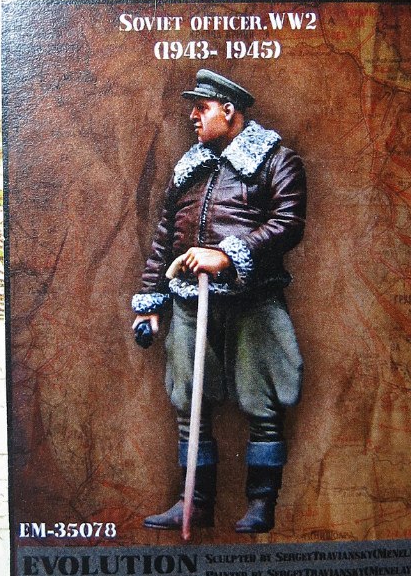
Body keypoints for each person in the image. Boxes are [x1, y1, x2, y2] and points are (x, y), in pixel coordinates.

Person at [131, 69, 307, 533]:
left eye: (202, 107)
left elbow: (288, 223)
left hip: (253, 301)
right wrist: (151, 301)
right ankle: (194, 503)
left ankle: (261, 504)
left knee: (263, 403)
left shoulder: (277, 160)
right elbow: (165, 237)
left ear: (229, 111)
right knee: (189, 404)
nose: (193, 116)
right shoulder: (190, 168)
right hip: (191, 301)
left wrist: (228, 254)